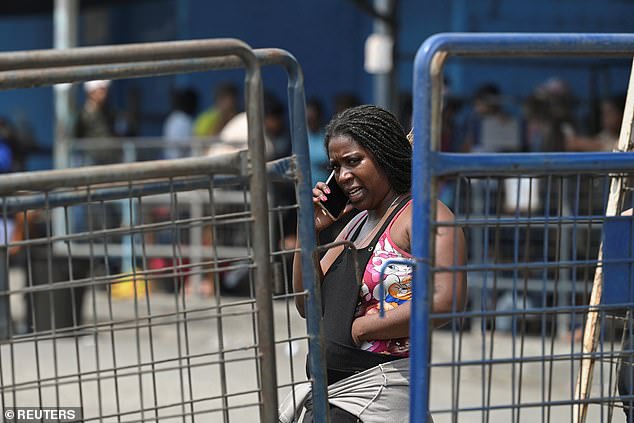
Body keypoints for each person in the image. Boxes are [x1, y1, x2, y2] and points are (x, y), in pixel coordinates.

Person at [288, 105, 467, 422]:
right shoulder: (355, 225)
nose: (343, 176)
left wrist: (362, 329)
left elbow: (446, 300)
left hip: (380, 397)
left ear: (384, 155)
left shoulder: (424, 214)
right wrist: (307, 230)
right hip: (331, 397)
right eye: (336, 166)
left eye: (354, 161)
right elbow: (307, 303)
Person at [162, 87, 199, 159]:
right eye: (194, 102)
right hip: (177, 159)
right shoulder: (183, 120)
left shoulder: (173, 117)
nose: (196, 106)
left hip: (172, 158)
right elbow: (185, 146)